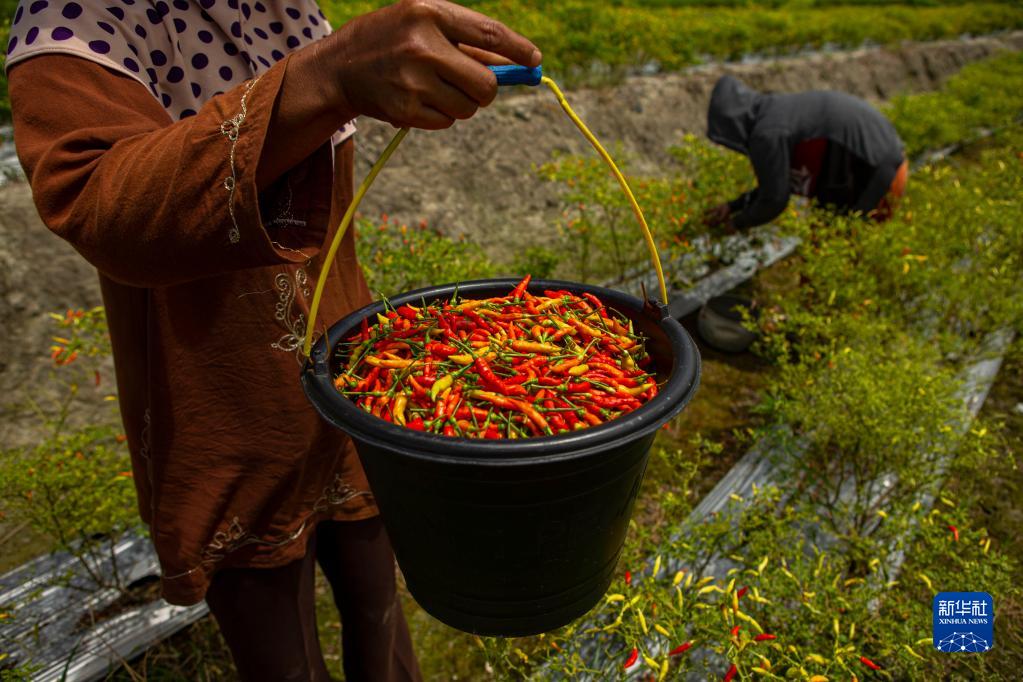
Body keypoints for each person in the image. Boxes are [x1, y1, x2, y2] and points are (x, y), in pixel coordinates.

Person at [4, 0, 540, 679]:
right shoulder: (74, 22)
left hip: (359, 391)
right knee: (283, 658)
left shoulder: (288, 11)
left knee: (381, 622)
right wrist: (329, 74)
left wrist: (350, 71)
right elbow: (101, 205)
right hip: (229, 416)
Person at [702, 75, 908, 231]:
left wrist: (736, 224)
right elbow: (779, 182)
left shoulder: (767, 134)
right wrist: (733, 206)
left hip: (876, 174)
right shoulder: (775, 113)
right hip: (887, 164)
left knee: (842, 251)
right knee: (828, 243)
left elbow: (775, 199)